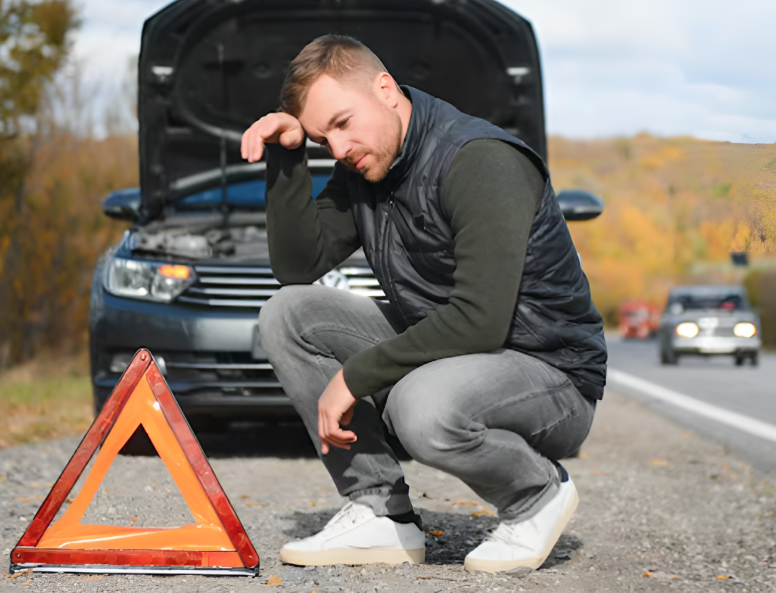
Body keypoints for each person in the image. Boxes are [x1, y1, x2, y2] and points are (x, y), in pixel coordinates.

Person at [241, 35, 607, 573]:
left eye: (342, 123)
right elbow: (298, 267)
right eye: (324, 139)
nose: (338, 148)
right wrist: (289, 156)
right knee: (289, 315)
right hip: (457, 355)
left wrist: (354, 376)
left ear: (385, 89)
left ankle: (535, 495)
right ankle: (379, 512)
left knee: (422, 407)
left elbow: (480, 321)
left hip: (550, 376)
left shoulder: (480, 160)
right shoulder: (365, 167)